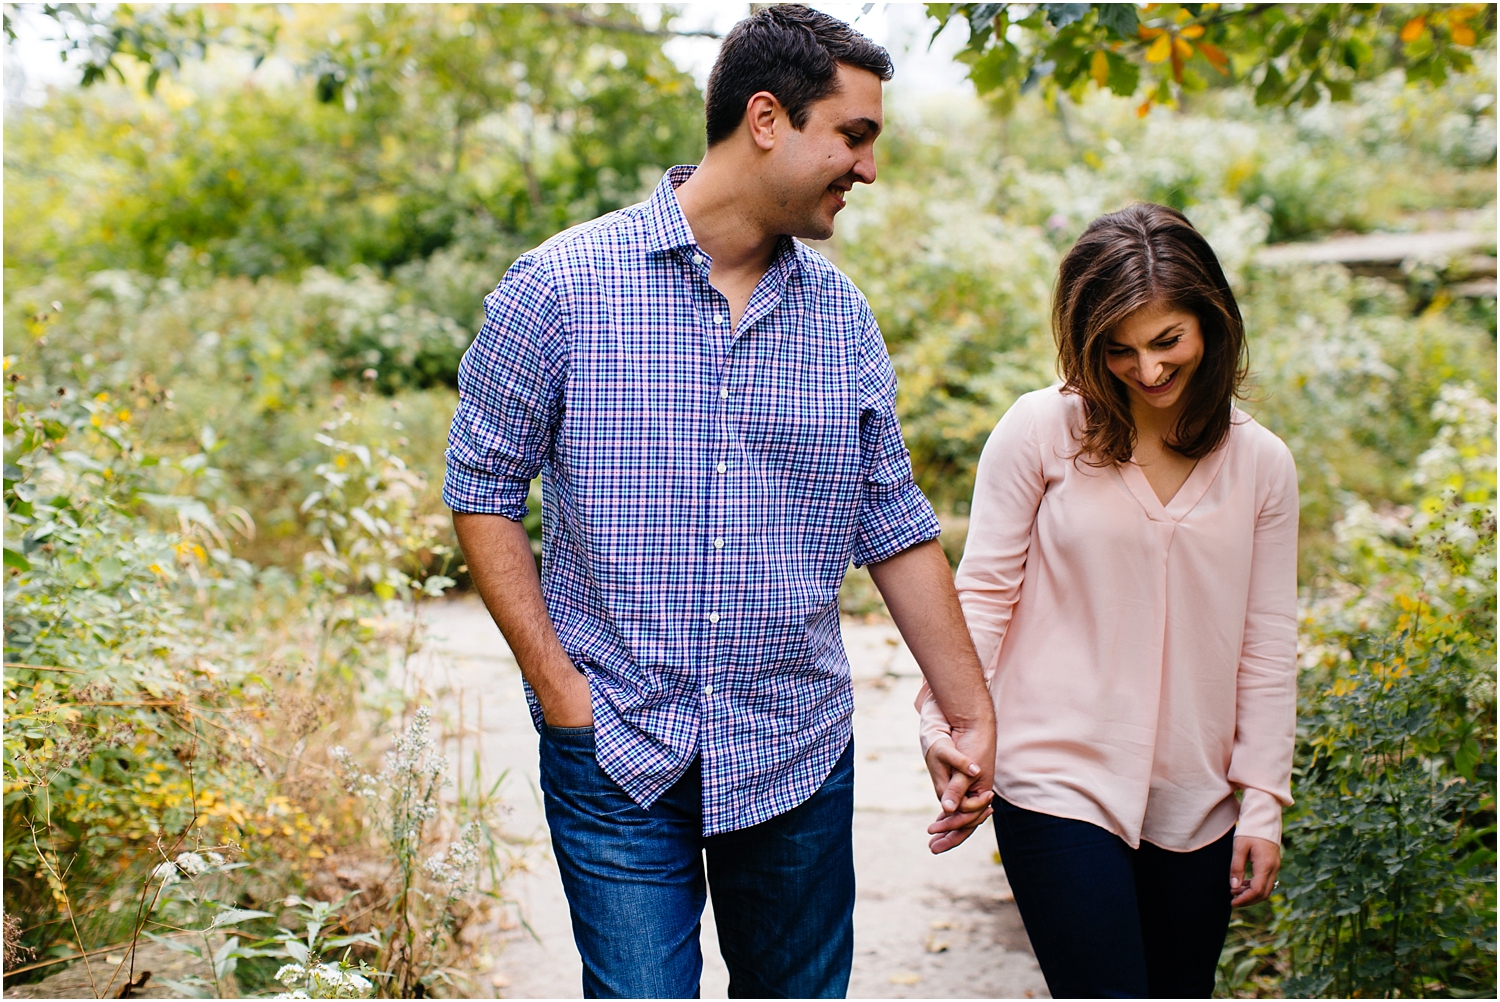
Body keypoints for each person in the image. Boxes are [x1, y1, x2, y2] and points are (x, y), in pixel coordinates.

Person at [443, 6, 996, 998]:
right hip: (613, 746)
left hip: (794, 751)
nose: (868, 168)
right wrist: (562, 694)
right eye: (855, 136)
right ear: (768, 119)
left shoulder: (841, 319)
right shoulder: (561, 287)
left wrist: (968, 714)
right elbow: (481, 489)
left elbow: (893, 522)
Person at [916, 203, 1299, 998]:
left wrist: (1261, 798)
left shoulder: (1263, 464)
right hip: (1056, 778)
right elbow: (982, 596)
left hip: (1197, 801)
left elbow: (1267, 641)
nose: (1149, 370)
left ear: (1212, 323)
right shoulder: (1039, 431)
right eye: (1118, 350)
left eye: (1168, 342)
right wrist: (945, 726)